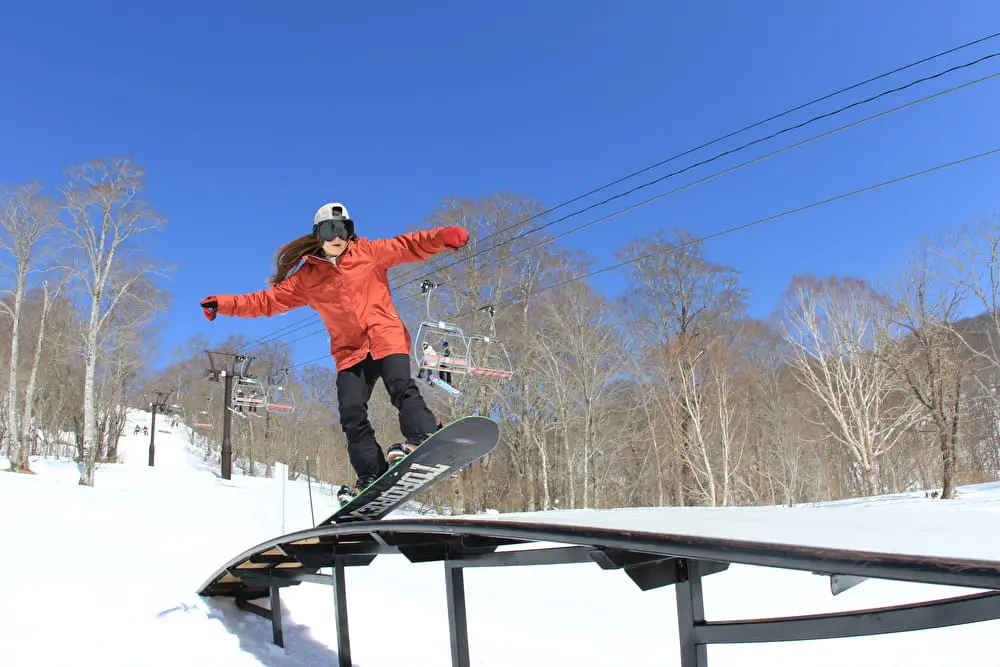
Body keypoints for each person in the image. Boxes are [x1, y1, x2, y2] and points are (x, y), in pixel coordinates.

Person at [198, 202, 469, 503]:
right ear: (318, 235)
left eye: (343, 229)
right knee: (351, 412)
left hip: (385, 336)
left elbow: (411, 245)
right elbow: (266, 301)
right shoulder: (307, 279)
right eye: (329, 230)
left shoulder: (369, 252)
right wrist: (223, 304)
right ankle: (371, 473)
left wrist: (444, 236)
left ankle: (423, 434)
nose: (337, 236)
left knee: (400, 386)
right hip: (350, 351)